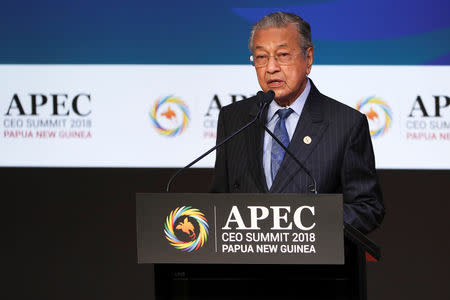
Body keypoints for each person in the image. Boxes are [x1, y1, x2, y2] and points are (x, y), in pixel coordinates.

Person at [210, 11, 384, 234]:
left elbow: (367, 208)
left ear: (308, 58)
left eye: (282, 55)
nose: (271, 67)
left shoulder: (346, 124)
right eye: (261, 57)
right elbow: (218, 201)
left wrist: (309, 224)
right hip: (248, 264)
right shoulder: (233, 119)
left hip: (313, 264)